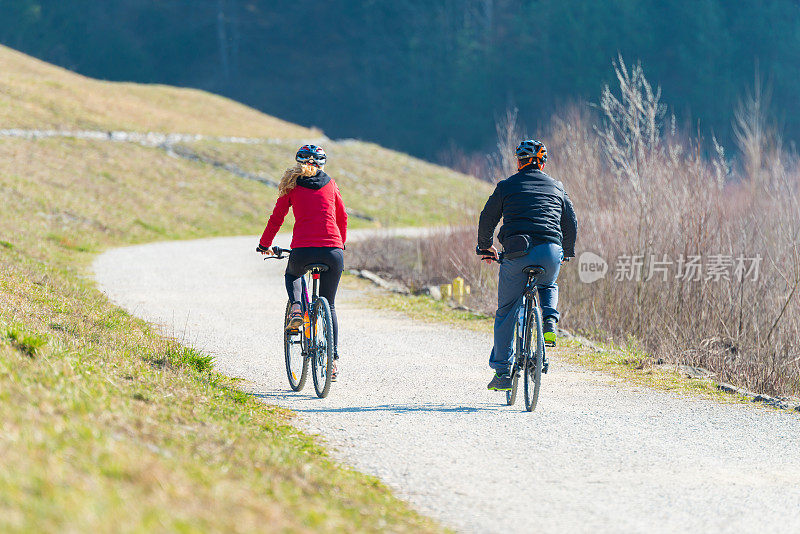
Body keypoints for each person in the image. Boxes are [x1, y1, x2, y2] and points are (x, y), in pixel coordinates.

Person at [476, 139, 577, 391]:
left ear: (518, 162)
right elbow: (571, 221)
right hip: (551, 251)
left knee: (507, 310)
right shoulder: (558, 187)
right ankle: (550, 321)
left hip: (517, 252)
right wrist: (568, 251)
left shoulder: (506, 186)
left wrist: (486, 247)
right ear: (543, 163)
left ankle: (502, 373)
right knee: (548, 283)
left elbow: (487, 217)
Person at [257, 144, 348, 380]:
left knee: (293, 275)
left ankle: (297, 306)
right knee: (331, 305)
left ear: (298, 163)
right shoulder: (331, 183)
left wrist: (264, 244)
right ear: (322, 165)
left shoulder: (291, 185)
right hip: (333, 251)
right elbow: (343, 216)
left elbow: (277, 218)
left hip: (303, 250)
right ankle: (333, 362)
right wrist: (341, 243)